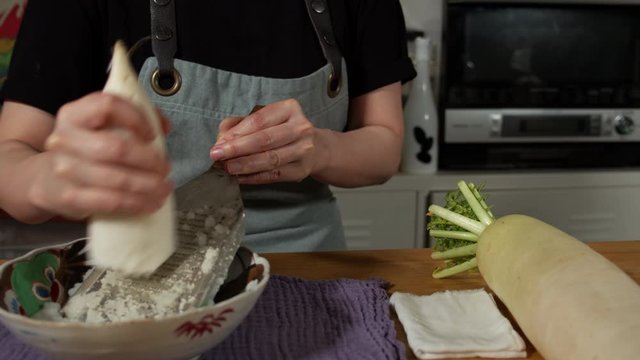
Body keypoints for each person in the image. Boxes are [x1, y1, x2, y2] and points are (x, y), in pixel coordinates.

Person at [0, 0, 416, 253]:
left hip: (305, 263)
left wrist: (321, 149)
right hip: (141, 274)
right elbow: (11, 156)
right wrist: (52, 179)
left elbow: (383, 147)